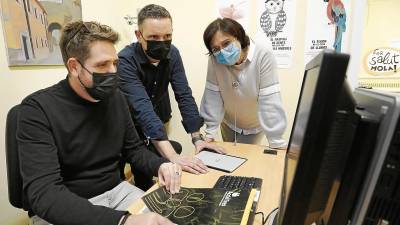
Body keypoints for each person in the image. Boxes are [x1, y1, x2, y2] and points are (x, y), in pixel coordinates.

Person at [18, 21, 181, 225]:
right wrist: (123, 221)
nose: (113, 72)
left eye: (115, 63)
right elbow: (45, 194)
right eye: (102, 65)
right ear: (74, 67)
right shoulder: (36, 110)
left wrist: (161, 165)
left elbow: (134, 150)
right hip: (67, 206)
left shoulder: (117, 98)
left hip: (118, 192)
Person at [118, 4, 225, 190]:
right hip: (126, 124)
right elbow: (141, 108)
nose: (161, 42)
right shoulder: (125, 60)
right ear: (138, 35)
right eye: (153, 37)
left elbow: (184, 94)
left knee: (151, 170)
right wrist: (174, 157)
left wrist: (197, 139)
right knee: (126, 176)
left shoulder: (172, 53)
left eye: (167, 36)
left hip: (155, 118)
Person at [200, 18, 287, 148]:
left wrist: (276, 140)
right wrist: (209, 133)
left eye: (226, 43)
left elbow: (269, 100)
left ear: (238, 37)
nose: (222, 51)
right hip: (228, 122)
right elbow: (212, 96)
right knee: (229, 157)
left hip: (254, 125)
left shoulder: (263, 54)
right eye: (216, 48)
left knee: (246, 159)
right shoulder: (214, 59)